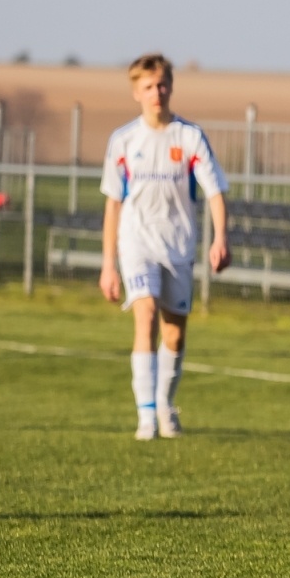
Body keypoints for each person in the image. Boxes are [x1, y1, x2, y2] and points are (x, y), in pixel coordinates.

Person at [98, 53, 230, 441]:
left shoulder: (189, 137)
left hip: (178, 246)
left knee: (174, 334)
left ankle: (165, 404)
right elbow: (113, 204)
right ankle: (145, 417)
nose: (157, 93)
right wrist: (109, 264)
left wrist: (221, 237)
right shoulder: (123, 141)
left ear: (171, 86)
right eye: (149, 87)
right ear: (136, 93)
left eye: (162, 85)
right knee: (146, 314)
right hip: (136, 243)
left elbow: (215, 191)